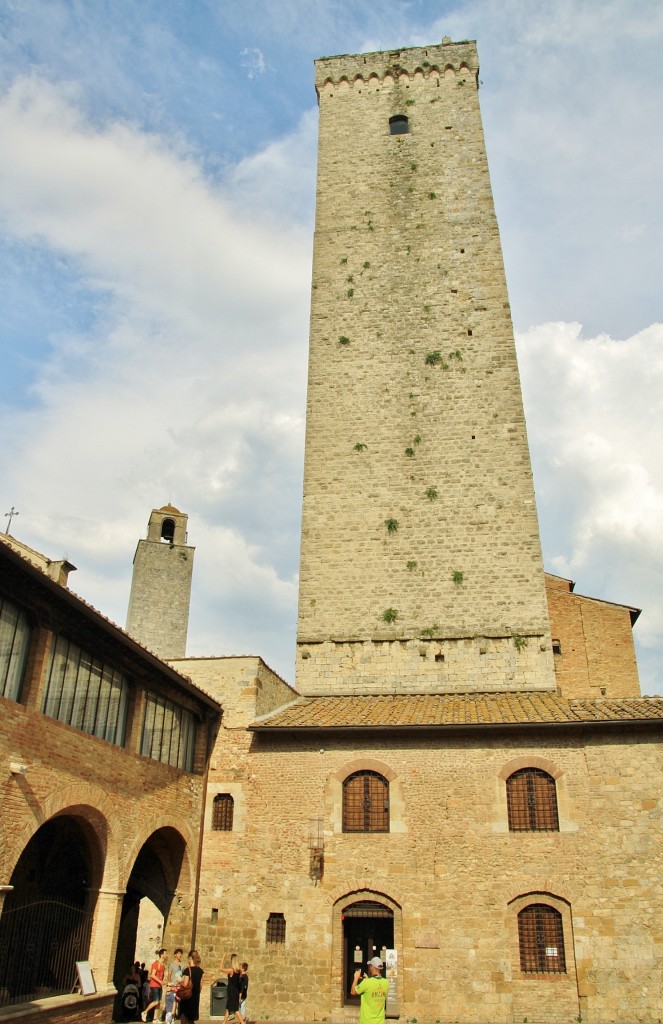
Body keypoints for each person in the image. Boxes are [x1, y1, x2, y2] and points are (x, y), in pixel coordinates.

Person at [351, 956, 389, 1024]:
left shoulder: (366, 983)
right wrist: (368, 980)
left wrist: (356, 978)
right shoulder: (386, 983)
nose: (369, 968)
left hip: (367, 1021)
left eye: (370, 966)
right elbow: (375, 986)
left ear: (372, 967)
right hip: (380, 1021)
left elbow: (353, 992)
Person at [178, 949, 204, 1024]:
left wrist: (179, 982)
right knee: (191, 1019)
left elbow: (185, 985)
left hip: (187, 997)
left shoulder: (187, 970)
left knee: (184, 1015)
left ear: (190, 958)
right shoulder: (200, 970)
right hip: (195, 997)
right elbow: (200, 985)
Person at [141, 948, 167, 1022]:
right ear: (161, 955)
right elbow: (152, 975)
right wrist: (160, 981)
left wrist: (164, 981)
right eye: (165, 954)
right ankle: (145, 1012)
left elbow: (162, 976)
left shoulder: (163, 965)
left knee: (158, 1002)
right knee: (156, 1001)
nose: (166, 955)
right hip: (154, 984)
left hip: (159, 985)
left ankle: (155, 1019)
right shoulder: (156, 964)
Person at [220, 952, 245, 1024]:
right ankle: (224, 1022)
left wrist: (223, 958)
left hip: (232, 992)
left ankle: (242, 1023)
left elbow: (220, 968)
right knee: (228, 1009)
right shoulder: (239, 971)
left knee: (235, 1010)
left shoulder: (232, 971)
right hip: (236, 992)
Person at [164, 947, 184, 1024]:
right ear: (175, 955)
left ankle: (180, 1015)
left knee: (180, 1001)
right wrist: (169, 985)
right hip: (173, 985)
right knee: (173, 1000)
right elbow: (169, 975)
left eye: (181, 954)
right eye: (178, 953)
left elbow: (184, 974)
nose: (180, 955)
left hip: (180, 985)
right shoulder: (172, 964)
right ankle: (172, 1016)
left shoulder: (183, 964)